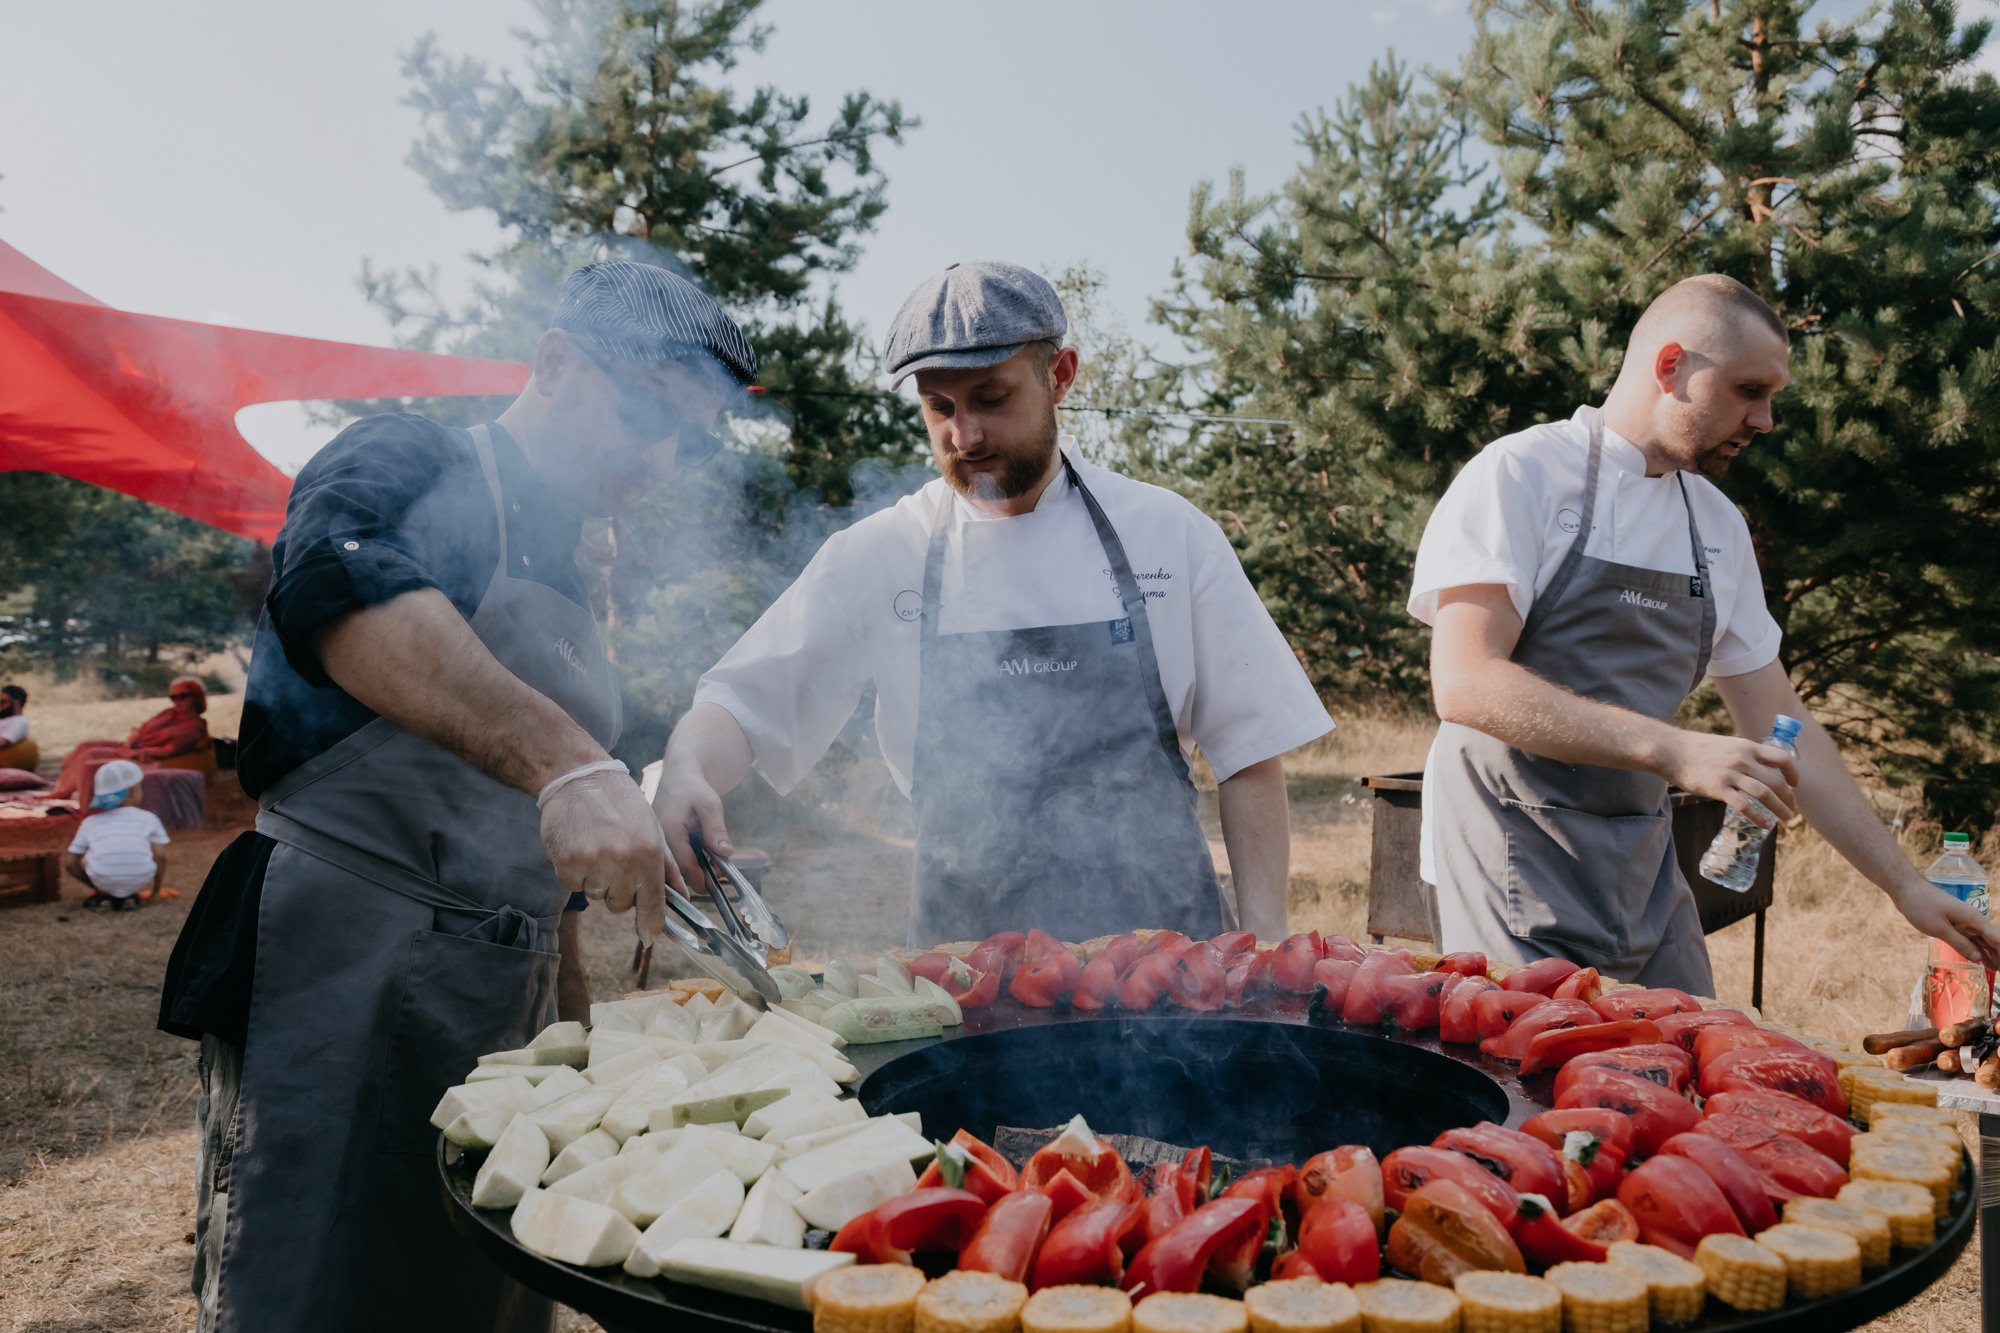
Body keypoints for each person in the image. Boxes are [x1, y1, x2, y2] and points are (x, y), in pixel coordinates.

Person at [157, 260, 755, 1333]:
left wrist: (578, 1044)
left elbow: (544, 852)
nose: (664, 458)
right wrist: (571, 762)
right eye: (646, 414)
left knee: (476, 1294)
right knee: (311, 1290)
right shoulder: (405, 457)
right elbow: (335, 591)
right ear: (559, 362)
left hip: (499, 998)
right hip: (340, 970)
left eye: (694, 439)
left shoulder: (570, 572)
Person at [656, 262, 1330, 946]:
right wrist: (686, 767)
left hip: (1171, 975)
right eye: (940, 407)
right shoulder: (884, 551)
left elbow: (1249, 752)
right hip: (968, 979)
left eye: (991, 397)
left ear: (1060, 375)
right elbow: (742, 705)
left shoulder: (1168, 534)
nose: (966, 435)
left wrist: (1267, 941)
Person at [1409, 273, 2000, 992]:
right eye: (1750, 391)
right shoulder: (1522, 475)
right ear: (1670, 367)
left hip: (1642, 869)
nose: (1765, 421)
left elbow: (1786, 724)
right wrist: (1676, 749)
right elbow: (1466, 681)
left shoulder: (1715, 527)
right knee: (1537, 1092)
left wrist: (1903, 886)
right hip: (1505, 856)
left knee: (1697, 1075)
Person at [50, 676, 211, 798]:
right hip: (134, 746)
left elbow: (169, 751)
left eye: (182, 696)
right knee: (86, 746)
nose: (176, 701)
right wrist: (129, 743)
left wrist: (133, 754)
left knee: (91, 755)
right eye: (173, 697)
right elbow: (140, 729)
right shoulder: (169, 714)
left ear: (195, 697)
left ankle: (64, 792)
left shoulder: (193, 727)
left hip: (145, 757)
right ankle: (61, 788)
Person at [65, 758, 169, 912]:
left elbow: (70, 864)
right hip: (139, 880)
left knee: (93, 860)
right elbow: (160, 856)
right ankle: (128, 897)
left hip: (102, 881)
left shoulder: (89, 822)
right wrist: (155, 892)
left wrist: (97, 886)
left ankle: (106, 895)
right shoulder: (148, 818)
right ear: (133, 789)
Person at [0, 684, 33, 771]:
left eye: (4, 701)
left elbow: (3, 743)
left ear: (16, 703)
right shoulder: (3, 718)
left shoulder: (20, 722)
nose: (1, 705)